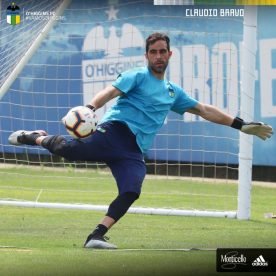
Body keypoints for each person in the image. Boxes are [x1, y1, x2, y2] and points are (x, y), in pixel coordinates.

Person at [9, 33, 273, 249]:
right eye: (153, 52)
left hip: (134, 151)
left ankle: (96, 236)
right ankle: (35, 137)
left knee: (131, 190)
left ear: (170, 55)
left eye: (162, 51)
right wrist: (88, 108)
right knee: (68, 151)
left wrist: (241, 125)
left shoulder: (172, 92)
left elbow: (204, 109)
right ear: (147, 55)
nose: (158, 56)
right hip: (115, 132)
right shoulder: (136, 76)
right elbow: (110, 91)